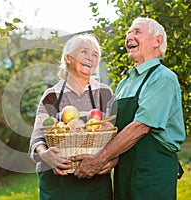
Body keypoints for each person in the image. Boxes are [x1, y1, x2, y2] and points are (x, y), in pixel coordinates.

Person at [72, 17, 186, 199]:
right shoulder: (125, 82)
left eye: (137, 32)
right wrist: (111, 156)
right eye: (128, 33)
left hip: (152, 171)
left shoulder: (162, 78)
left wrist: (98, 160)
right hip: (124, 169)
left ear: (157, 41)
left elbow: (140, 127)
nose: (129, 37)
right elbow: (115, 127)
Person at [29, 34, 118, 200]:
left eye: (95, 55)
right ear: (68, 58)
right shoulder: (52, 95)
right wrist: (45, 154)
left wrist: (112, 160)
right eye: (84, 52)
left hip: (95, 181)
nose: (90, 58)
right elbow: (37, 138)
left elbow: (113, 135)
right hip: (58, 183)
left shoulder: (104, 93)